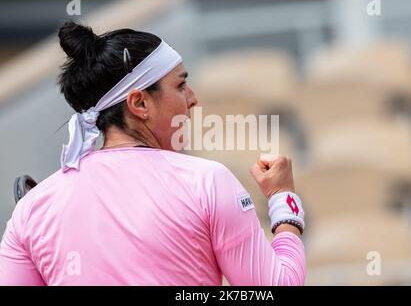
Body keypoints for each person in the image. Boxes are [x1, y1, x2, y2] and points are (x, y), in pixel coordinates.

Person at [0, 21, 306, 285]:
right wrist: (284, 201)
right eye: (181, 85)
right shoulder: (208, 181)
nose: (193, 99)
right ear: (140, 103)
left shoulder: (31, 212)